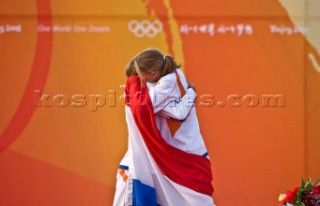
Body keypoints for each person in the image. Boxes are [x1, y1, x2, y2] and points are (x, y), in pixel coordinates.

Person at [113, 48, 214, 206]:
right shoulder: (174, 73)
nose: (140, 81)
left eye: (141, 76)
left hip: (182, 154)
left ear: (153, 73)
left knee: (196, 201)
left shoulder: (167, 83)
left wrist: (133, 97)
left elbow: (159, 109)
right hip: (177, 153)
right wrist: (191, 92)